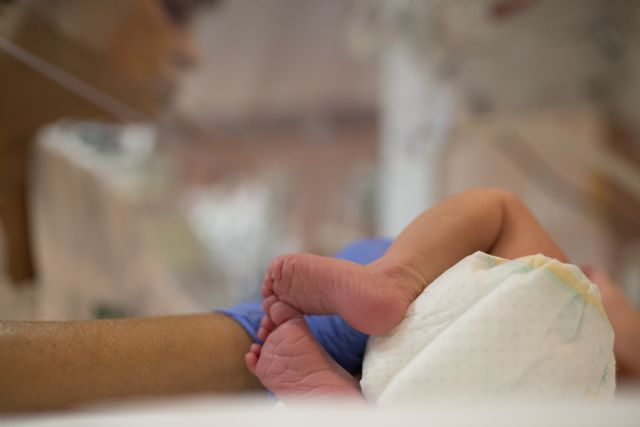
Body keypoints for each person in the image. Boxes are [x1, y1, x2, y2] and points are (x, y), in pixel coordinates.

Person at [1, 189, 638, 411]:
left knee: (500, 208)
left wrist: (608, 307)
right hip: (546, 403)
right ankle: (341, 402)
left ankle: (393, 279)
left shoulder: (579, 318)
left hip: (428, 370)